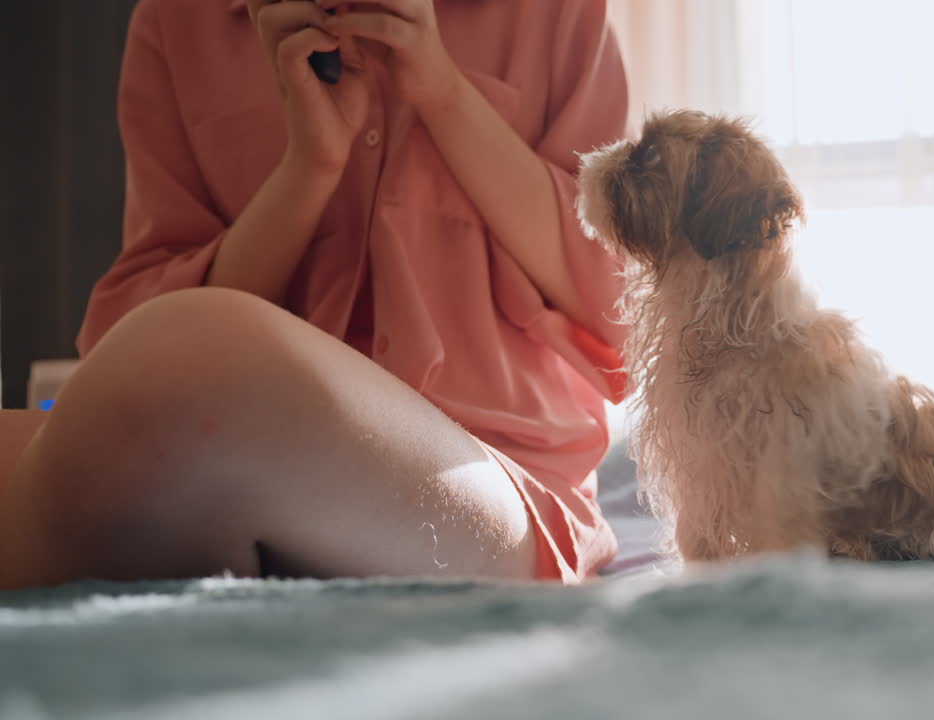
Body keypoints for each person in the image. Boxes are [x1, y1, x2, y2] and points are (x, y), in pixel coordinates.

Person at [0, 0, 630, 589]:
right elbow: (128, 338)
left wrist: (443, 92)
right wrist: (311, 164)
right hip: (234, 455)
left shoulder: (553, 11)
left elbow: (626, 307)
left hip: (500, 482)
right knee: (119, 404)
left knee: (162, 375)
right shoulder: (176, 21)